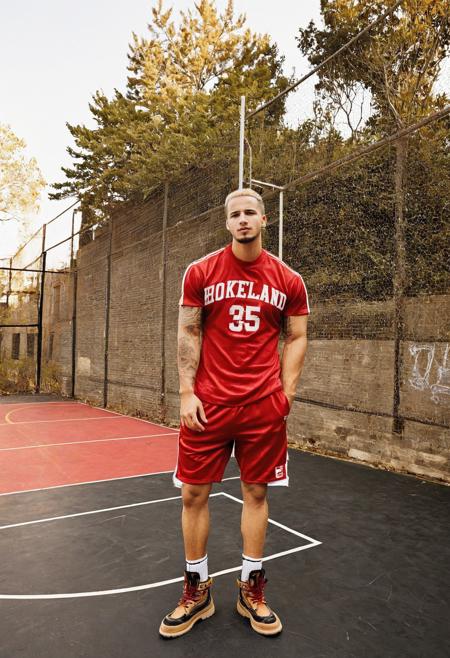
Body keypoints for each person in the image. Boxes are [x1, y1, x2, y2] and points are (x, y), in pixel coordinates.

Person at [159, 188, 309, 639]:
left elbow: (297, 335)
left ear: (264, 220)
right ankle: (197, 590)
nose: (243, 220)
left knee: (256, 494)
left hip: (262, 406)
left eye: (250, 213)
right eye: (235, 214)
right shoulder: (201, 271)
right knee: (192, 495)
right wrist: (186, 391)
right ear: (227, 223)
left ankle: (251, 589)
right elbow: (189, 328)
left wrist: (287, 394)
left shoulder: (288, 280)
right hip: (208, 404)